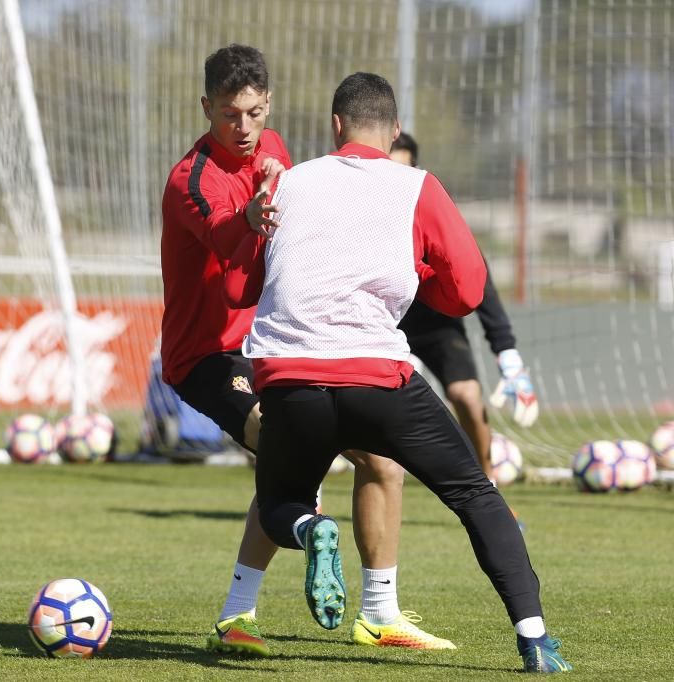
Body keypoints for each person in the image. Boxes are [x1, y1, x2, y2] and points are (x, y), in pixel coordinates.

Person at [225, 72, 572, 673]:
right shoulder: (418, 186)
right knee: (475, 495)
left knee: (279, 499)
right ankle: (535, 638)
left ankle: (311, 530)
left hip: (287, 375)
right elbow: (467, 289)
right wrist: (423, 278)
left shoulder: (289, 181)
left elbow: (245, 285)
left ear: (336, 126)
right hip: (376, 377)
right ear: (396, 129)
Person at [160, 44, 453, 657]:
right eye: (229, 115)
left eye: (255, 113)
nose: (244, 129)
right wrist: (252, 213)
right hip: (207, 357)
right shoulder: (190, 180)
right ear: (206, 107)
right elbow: (224, 245)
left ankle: (380, 613)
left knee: (381, 463)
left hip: (278, 344)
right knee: (290, 453)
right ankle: (244, 607)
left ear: (268, 106)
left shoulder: (276, 150)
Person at [391, 132, 539, 482]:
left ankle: (487, 485)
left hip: (436, 326)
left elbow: (474, 275)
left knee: (467, 395)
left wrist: (507, 354)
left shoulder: (431, 212)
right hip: (383, 324)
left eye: (403, 170)